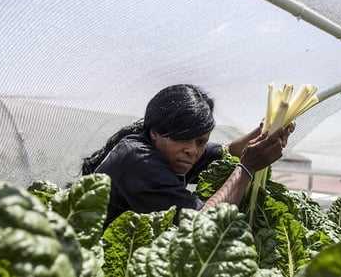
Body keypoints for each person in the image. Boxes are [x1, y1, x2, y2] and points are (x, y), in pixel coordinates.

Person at [82, 84, 294, 227]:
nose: (193, 151)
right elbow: (202, 226)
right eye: (183, 138)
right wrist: (247, 168)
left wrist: (266, 131)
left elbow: (228, 151)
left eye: (200, 141)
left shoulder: (170, 152)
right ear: (155, 131)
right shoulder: (138, 159)